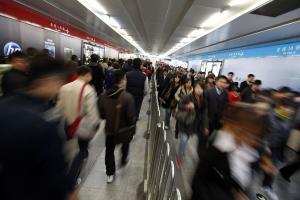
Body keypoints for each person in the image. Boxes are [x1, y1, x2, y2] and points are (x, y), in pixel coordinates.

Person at [0, 56, 77, 200]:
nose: (59, 88)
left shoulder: (4, 104)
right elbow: (57, 179)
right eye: (58, 82)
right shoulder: (45, 121)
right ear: (47, 81)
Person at [192, 103, 273, 200]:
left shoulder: (250, 154)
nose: (252, 139)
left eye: (255, 135)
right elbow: (197, 182)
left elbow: (242, 184)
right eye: (248, 132)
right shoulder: (219, 146)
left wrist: (240, 194)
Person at [55, 66, 100, 188]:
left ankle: (62, 170)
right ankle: (72, 178)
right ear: (86, 75)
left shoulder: (64, 87)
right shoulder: (88, 90)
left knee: (68, 149)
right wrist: (95, 125)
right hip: (81, 125)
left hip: (67, 123)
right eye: (90, 75)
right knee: (81, 150)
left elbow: (58, 108)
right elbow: (92, 113)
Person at [99, 70, 136, 183]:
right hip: (124, 130)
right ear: (122, 81)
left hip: (110, 129)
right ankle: (124, 160)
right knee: (125, 144)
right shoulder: (127, 97)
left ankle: (110, 173)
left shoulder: (103, 95)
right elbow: (131, 118)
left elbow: (101, 114)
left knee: (109, 151)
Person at [261, 98, 295, 200]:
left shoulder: (288, 119)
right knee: (260, 167)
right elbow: (263, 132)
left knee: (272, 168)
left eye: (292, 109)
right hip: (267, 147)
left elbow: (286, 134)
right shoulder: (271, 116)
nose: (291, 111)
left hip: (277, 149)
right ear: (282, 107)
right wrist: (265, 146)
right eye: (289, 109)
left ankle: (267, 187)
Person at [176, 82, 205, 167]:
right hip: (185, 122)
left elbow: (202, 111)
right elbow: (180, 105)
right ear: (194, 88)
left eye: (201, 88)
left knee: (186, 139)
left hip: (194, 123)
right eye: (198, 88)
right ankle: (180, 157)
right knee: (184, 140)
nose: (199, 90)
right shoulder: (188, 96)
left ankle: (182, 151)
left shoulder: (203, 99)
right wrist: (187, 106)